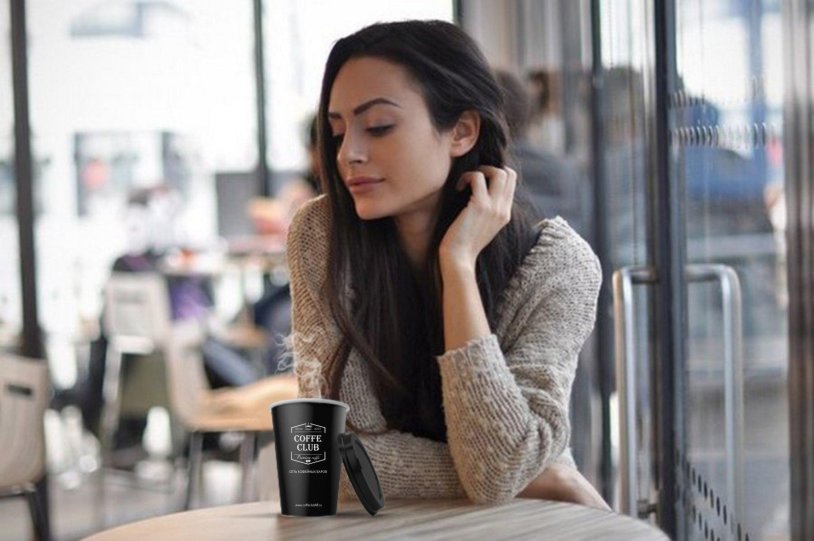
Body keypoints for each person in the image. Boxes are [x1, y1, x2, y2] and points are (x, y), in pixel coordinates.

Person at [256, 20, 606, 508]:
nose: (348, 154)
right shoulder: (322, 236)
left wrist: (458, 266)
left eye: (378, 127)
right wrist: (543, 477)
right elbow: (327, 458)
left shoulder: (559, 266)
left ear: (461, 131)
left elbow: (499, 469)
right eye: (336, 131)